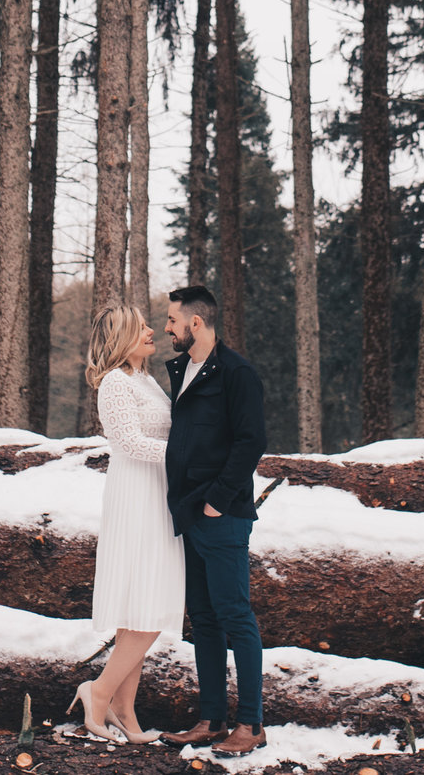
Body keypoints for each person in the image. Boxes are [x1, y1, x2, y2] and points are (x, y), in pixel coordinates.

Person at [158, 283, 267, 755]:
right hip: (190, 513)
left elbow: (251, 442)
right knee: (203, 619)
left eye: (171, 320)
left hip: (221, 515)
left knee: (235, 617)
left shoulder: (237, 373)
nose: (167, 328)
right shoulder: (183, 369)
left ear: (195, 323)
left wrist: (217, 501)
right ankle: (212, 719)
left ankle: (252, 725)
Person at [71, 303, 181, 744]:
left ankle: (124, 709)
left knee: (142, 605)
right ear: (121, 338)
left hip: (160, 494)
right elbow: (130, 444)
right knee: (150, 604)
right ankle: (96, 691)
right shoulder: (114, 382)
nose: (153, 330)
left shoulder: (146, 380)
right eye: (142, 328)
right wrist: (187, 458)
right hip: (137, 497)